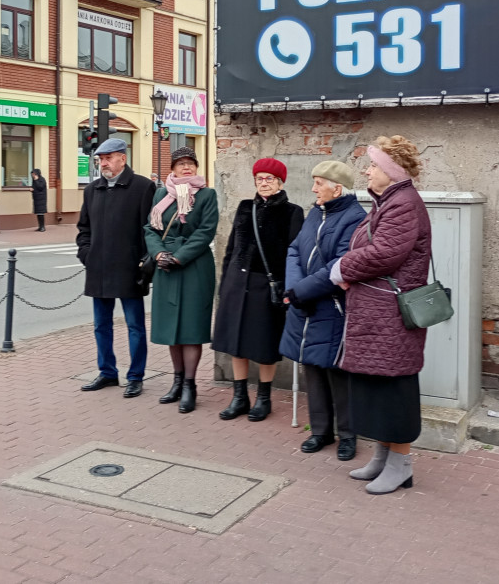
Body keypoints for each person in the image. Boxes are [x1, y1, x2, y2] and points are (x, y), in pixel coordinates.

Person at [330, 136, 431, 495]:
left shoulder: (403, 204)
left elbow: (384, 253)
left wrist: (341, 268)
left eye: (373, 164)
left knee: (394, 388)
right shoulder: (387, 202)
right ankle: (382, 457)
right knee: (376, 387)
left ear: (390, 171)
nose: (368, 170)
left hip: (391, 316)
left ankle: (401, 465)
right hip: (377, 313)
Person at [280, 161, 365, 460]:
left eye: (319, 183)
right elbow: (294, 249)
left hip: (333, 307)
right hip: (306, 303)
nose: (313, 188)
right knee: (312, 367)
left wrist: (301, 291)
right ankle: (320, 431)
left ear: (336, 187)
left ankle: (348, 435)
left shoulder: (355, 218)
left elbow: (340, 265)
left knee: (338, 372)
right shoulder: (315, 212)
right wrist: (294, 286)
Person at [213, 158, 303, 422]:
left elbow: (293, 254)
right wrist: (225, 282)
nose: (264, 183)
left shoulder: (292, 212)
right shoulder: (244, 208)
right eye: (260, 178)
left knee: (264, 343)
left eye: (270, 179)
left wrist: (288, 287)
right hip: (238, 284)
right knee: (236, 343)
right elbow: (231, 248)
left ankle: (264, 398)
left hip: (268, 286)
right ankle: (239, 397)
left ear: (280, 182)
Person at [76, 139, 156, 398]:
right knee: (101, 325)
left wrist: (145, 262)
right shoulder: (92, 190)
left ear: (123, 158)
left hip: (130, 269)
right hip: (98, 269)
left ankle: (135, 376)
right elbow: (83, 229)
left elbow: (150, 230)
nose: (104, 163)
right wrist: (86, 253)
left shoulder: (143, 187)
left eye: (109, 158)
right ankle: (107, 372)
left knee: (135, 326)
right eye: (101, 159)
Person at [144, 147, 219, 413]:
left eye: (190, 164)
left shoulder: (207, 195)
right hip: (165, 266)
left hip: (194, 267)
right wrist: (160, 253)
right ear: (173, 169)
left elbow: (206, 231)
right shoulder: (162, 193)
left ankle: (190, 385)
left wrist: (179, 257)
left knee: (190, 328)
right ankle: (176, 381)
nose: (186, 168)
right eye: (181, 164)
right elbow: (150, 229)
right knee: (171, 330)